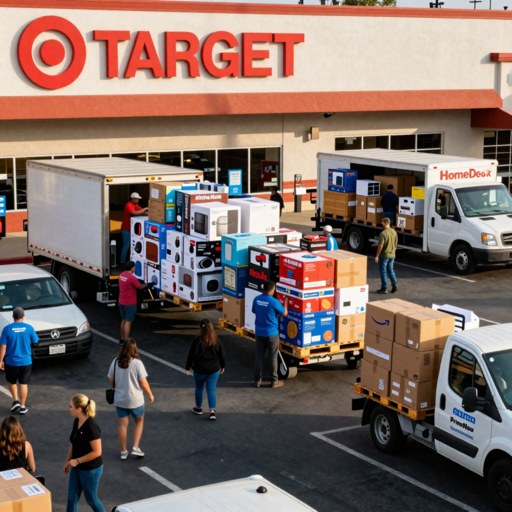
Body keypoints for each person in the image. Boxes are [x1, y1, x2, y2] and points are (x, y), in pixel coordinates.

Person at [108, 339, 154, 459]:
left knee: (123, 425)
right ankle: (135, 447)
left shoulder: (115, 362)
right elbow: (143, 382)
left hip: (120, 399)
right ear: (134, 349)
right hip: (135, 400)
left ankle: (123, 451)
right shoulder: (137, 363)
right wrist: (150, 394)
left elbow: (111, 379)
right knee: (139, 422)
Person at [64, 394, 104, 512]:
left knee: (91, 499)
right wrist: (67, 461)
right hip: (76, 466)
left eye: (71, 406)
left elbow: (97, 452)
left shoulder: (91, 427)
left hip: (90, 469)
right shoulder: (77, 421)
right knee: (71, 499)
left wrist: (77, 460)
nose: (69, 408)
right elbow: (74, 443)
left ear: (79, 409)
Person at [0, 307, 38, 415]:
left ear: (13, 317)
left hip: (11, 361)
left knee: (11, 381)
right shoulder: (29, 328)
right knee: (23, 383)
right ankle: (22, 406)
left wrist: (0, 360)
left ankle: (15, 400)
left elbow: (3, 346)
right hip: (26, 361)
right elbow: (35, 342)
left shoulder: (6, 329)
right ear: (23, 316)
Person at [186, 319, 226, 421]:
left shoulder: (197, 340)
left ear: (201, 328)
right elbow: (222, 356)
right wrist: (222, 366)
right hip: (213, 370)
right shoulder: (217, 340)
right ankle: (212, 411)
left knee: (199, 388)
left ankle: (198, 408)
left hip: (199, 370)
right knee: (211, 389)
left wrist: (188, 367)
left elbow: (191, 355)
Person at [253, 281, 288, 388]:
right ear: (272, 288)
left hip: (259, 332)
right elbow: (284, 313)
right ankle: (274, 381)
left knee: (259, 356)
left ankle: (257, 381)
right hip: (272, 333)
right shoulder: (274, 302)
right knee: (273, 357)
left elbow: (254, 311)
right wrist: (286, 304)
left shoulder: (256, 299)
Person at [118, 261, 151, 345]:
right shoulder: (132, 278)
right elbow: (140, 287)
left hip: (121, 301)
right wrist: (149, 285)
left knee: (123, 320)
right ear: (132, 268)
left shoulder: (121, 275)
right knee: (128, 322)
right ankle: (126, 342)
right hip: (129, 303)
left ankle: (122, 338)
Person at [120, 192, 148, 265]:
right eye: (137, 199)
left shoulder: (136, 205)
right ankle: (122, 262)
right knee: (126, 246)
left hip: (132, 230)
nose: (138, 200)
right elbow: (135, 213)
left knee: (133, 246)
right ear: (133, 199)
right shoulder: (128, 205)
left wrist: (148, 213)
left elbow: (141, 212)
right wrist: (145, 208)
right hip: (126, 229)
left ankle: (129, 261)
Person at [375, 217, 398, 294]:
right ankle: (395, 285)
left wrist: (377, 256)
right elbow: (396, 242)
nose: (381, 224)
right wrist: (393, 250)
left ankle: (384, 288)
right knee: (390, 270)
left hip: (384, 255)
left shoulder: (383, 233)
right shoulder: (394, 231)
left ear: (385, 223)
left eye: (382, 223)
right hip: (392, 255)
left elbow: (380, 246)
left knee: (383, 271)